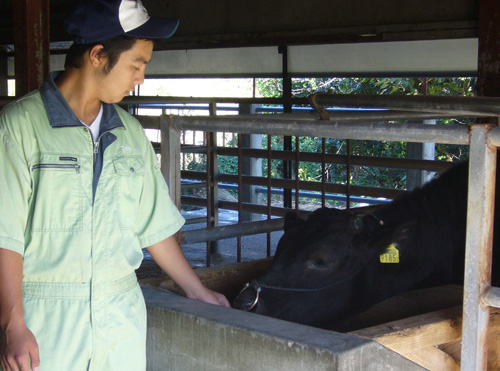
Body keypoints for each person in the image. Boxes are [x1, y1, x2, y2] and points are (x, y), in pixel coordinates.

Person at [0, 1, 230, 370]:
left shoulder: (130, 134)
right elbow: (4, 236)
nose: (140, 77)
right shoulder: (20, 128)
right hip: (46, 324)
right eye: (136, 65)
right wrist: (13, 324)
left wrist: (196, 290)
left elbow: (151, 225)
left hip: (120, 320)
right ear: (97, 55)